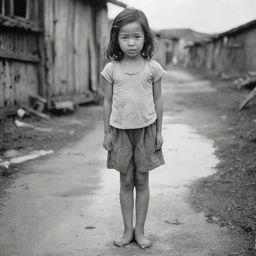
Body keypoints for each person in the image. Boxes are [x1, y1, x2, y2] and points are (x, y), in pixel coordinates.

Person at [101, 8, 166, 249]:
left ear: (145, 37)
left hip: (146, 130)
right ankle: (127, 229)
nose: (131, 43)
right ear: (116, 39)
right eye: (125, 37)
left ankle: (140, 231)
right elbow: (107, 101)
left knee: (142, 180)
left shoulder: (153, 68)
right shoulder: (111, 69)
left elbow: (158, 100)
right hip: (119, 131)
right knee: (125, 182)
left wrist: (159, 131)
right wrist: (106, 132)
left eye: (136, 37)